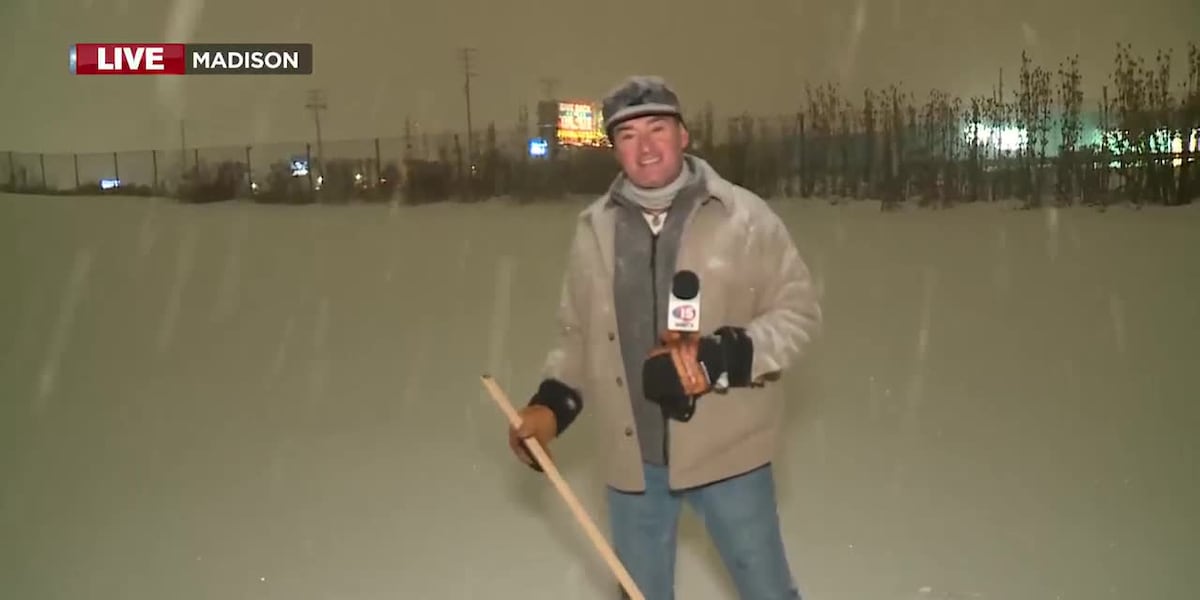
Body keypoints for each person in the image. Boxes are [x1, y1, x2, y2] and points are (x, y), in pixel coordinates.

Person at [507, 75, 822, 600]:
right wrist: (551, 407)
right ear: (614, 149)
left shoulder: (742, 217)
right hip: (634, 464)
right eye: (628, 135)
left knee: (768, 593)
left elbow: (799, 313)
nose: (646, 147)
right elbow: (578, 335)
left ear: (684, 135)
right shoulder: (595, 230)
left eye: (657, 128)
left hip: (730, 456)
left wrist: (723, 356)